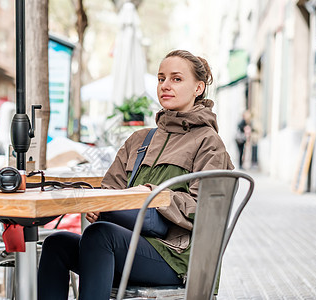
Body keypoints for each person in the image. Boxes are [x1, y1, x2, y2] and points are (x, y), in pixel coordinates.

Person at [37, 50, 233, 300]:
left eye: (176, 79)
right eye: (161, 78)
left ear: (198, 88)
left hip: (177, 258)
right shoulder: (140, 140)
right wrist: (97, 206)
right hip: (126, 246)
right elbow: (109, 191)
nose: (165, 85)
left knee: (99, 236)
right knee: (57, 243)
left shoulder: (208, 143)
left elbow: (208, 211)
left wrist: (157, 195)